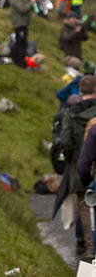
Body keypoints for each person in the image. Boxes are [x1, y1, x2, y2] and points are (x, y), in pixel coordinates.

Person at [59, 75, 96, 260]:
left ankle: (90, 247)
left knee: (85, 206)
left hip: (79, 166)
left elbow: (64, 141)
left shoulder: (70, 113)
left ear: (80, 90)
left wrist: (70, 158)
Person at [10, 0, 36, 68]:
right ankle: (20, 62)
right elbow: (23, 9)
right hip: (19, 24)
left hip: (24, 24)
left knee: (23, 43)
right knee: (20, 44)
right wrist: (31, 2)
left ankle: (21, 61)